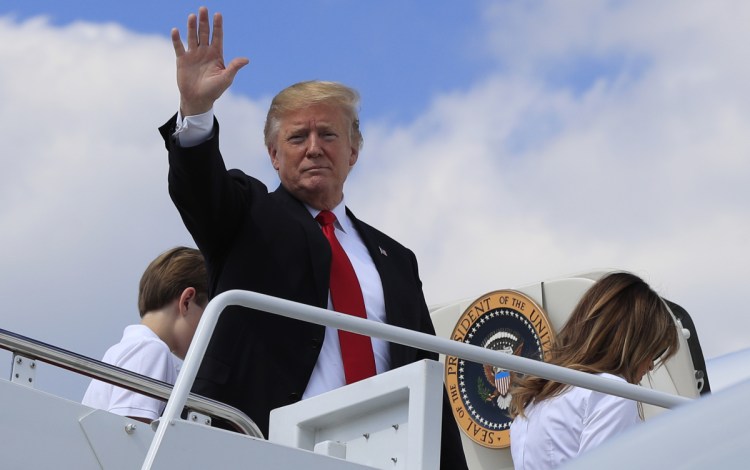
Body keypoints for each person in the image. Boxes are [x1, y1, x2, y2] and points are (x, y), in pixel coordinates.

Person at [158, 7, 467, 468]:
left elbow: (428, 370)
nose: (314, 147)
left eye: (328, 134)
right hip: (266, 446)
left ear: (354, 150)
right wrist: (197, 113)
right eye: (298, 137)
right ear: (273, 155)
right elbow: (201, 189)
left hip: (388, 455)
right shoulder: (248, 214)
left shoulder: (396, 260)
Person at [508, 272, 680, 469]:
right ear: (631, 342)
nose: (651, 365)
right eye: (655, 351)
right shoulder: (613, 394)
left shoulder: (535, 399)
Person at [82, 246, 208, 422]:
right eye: (210, 316)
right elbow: (130, 433)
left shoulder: (131, 348)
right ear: (186, 301)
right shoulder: (150, 350)